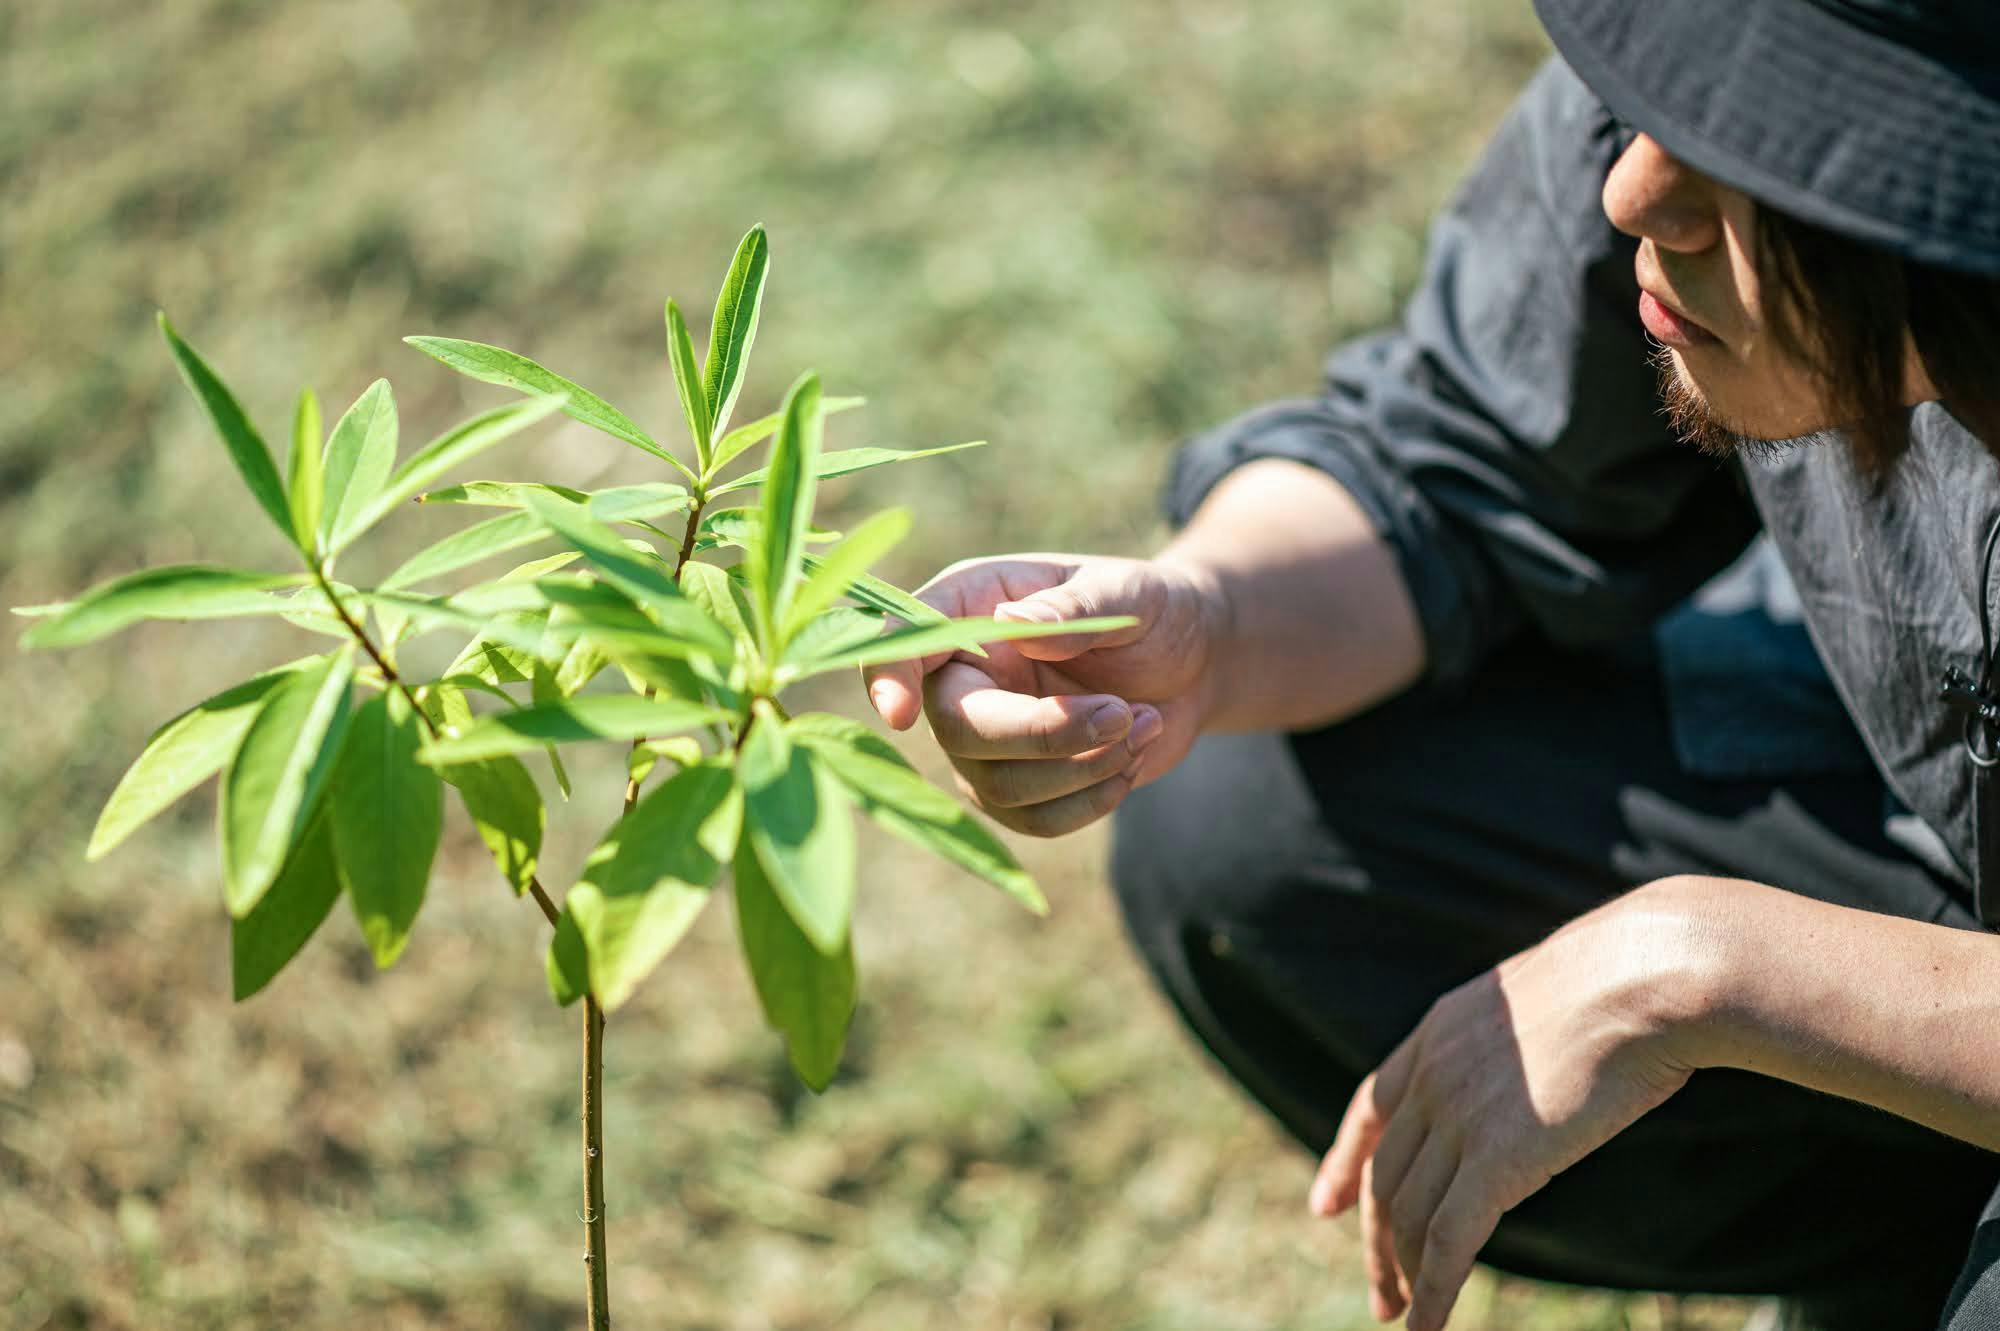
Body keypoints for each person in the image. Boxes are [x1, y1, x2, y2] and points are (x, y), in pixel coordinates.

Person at [860, 1, 2000, 1328]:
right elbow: (1462, 459)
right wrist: (1207, 620)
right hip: (1924, 829)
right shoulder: (1703, 84)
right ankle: (1913, 1228)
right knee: (1256, 827)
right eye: (1659, 113)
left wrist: (1710, 970)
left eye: (1780, 158)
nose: (1640, 196)